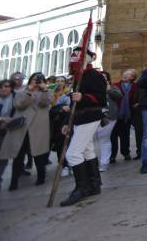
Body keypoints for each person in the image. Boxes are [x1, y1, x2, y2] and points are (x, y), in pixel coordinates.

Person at [60, 49, 106, 206]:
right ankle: (94, 185)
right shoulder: (77, 77)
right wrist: (67, 122)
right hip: (79, 118)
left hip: (90, 116)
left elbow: (101, 98)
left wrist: (84, 97)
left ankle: (82, 188)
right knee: (87, 150)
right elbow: (73, 103)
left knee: (72, 154)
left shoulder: (95, 76)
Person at [0, 72, 53, 190]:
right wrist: (29, 91)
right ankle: (14, 182)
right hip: (22, 128)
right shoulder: (22, 92)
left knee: (39, 155)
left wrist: (44, 90)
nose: (36, 82)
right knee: (18, 156)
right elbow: (19, 105)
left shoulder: (46, 92)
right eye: (34, 80)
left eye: (39, 80)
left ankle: (41, 177)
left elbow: (46, 102)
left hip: (38, 128)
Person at [95, 71, 122, 172]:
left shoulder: (112, 87)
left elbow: (119, 96)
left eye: (105, 77)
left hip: (109, 116)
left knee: (104, 139)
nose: (103, 79)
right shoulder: (94, 88)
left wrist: (108, 89)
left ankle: (104, 163)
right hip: (95, 116)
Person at [111, 69, 137, 162]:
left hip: (128, 114)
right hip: (116, 114)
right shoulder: (115, 85)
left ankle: (126, 153)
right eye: (124, 73)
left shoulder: (135, 86)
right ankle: (112, 155)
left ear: (133, 77)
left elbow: (136, 98)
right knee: (113, 135)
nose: (125, 75)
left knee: (125, 134)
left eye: (128, 74)